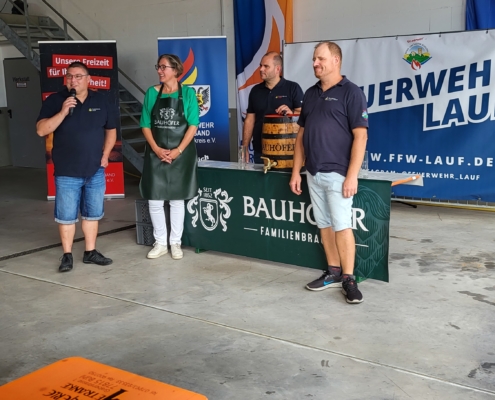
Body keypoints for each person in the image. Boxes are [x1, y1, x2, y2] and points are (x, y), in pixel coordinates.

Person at [289, 41, 369, 304]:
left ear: (336, 60)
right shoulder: (310, 94)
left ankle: (349, 279)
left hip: (339, 174)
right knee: (324, 224)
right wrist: (296, 172)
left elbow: (361, 136)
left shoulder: (352, 93)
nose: (315, 63)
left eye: (320, 59)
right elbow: (301, 136)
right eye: (314, 59)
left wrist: (352, 175)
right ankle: (333, 272)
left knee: (342, 225)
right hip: (313, 173)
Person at [36, 62, 117, 272]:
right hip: (67, 171)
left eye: (78, 76)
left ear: (88, 79)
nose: (73, 80)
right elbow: (41, 130)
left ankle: (90, 252)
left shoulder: (101, 100)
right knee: (66, 216)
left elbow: (111, 129)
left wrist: (106, 155)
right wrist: (63, 111)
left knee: (92, 213)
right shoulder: (56, 100)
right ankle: (67, 255)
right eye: (70, 76)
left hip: (95, 169)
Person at [139, 54, 199, 261]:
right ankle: (160, 243)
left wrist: (178, 151)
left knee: (176, 199)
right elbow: (145, 124)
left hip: (180, 154)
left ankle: (175, 242)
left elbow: (193, 125)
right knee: (154, 199)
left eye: (164, 67)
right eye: (158, 67)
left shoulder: (188, 93)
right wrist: (156, 149)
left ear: (176, 69)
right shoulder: (152, 93)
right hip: (156, 153)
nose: (159, 71)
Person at [242, 51, 304, 163]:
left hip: (287, 151)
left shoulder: (293, 88)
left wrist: (291, 113)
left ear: (277, 69)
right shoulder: (255, 91)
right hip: (260, 151)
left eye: (266, 66)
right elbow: (249, 120)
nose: (261, 69)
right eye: (261, 65)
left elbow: (304, 115)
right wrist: (245, 147)